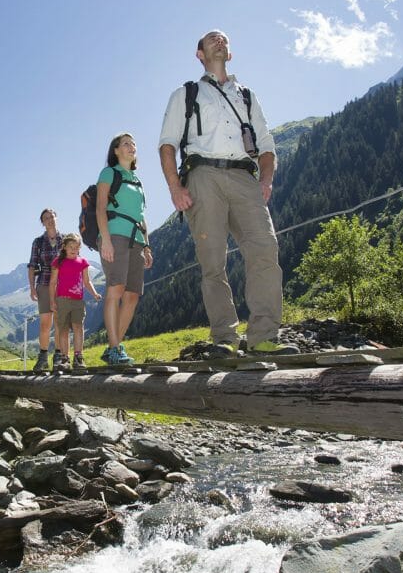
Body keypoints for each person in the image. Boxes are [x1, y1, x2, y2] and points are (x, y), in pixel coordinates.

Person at [158, 29, 284, 355]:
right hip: (202, 176)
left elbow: (267, 146)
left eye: (224, 39)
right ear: (199, 54)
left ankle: (264, 338)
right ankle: (225, 340)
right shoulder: (185, 94)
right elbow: (167, 144)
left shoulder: (248, 96)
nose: (219, 40)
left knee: (265, 248)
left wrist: (266, 181)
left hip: (245, 178)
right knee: (213, 263)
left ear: (230, 53)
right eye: (210, 38)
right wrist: (175, 187)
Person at [96, 132, 152, 365]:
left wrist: (147, 246)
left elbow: (141, 216)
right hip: (115, 235)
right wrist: (106, 240)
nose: (132, 146)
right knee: (115, 289)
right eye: (126, 144)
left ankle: (114, 346)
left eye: (134, 144)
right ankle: (115, 347)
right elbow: (100, 208)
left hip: (137, 239)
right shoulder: (109, 173)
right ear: (116, 150)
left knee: (132, 295)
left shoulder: (137, 181)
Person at [49, 232, 101, 369]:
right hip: (62, 301)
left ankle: (78, 358)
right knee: (63, 330)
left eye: (76, 247)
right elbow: (53, 283)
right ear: (64, 247)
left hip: (78, 302)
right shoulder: (58, 262)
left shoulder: (82, 262)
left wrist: (95, 293)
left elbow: (87, 281)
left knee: (78, 327)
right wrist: (52, 301)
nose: (74, 249)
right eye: (71, 246)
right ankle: (65, 359)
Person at [27, 208, 62, 371]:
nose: (50, 220)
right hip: (44, 283)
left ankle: (59, 357)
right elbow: (32, 265)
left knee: (60, 322)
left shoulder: (66, 240)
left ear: (56, 218)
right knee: (45, 323)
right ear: (42, 223)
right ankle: (42, 358)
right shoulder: (38, 242)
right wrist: (32, 288)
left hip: (63, 285)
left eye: (52, 216)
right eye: (46, 218)